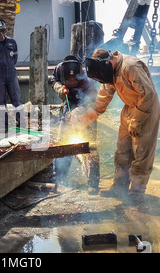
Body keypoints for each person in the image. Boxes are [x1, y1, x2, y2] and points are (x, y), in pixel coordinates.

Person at [76, 49, 160, 203]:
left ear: (107, 63)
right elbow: (102, 99)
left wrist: (137, 120)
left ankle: (136, 192)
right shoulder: (110, 72)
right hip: (129, 109)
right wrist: (84, 120)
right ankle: (119, 187)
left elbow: (148, 94)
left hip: (146, 111)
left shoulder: (130, 67)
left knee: (141, 153)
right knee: (122, 150)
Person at [51, 55, 100, 194]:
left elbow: (93, 102)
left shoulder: (87, 79)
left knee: (89, 146)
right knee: (62, 142)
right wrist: (61, 89)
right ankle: (59, 178)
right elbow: (53, 81)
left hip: (86, 108)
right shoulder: (59, 69)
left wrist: (79, 114)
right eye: (69, 80)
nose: (72, 81)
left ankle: (93, 183)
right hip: (68, 105)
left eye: (74, 79)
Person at [0, 18, 25, 133]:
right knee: (1, 102)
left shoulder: (12, 42)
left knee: (16, 100)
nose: (1, 34)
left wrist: (9, 66)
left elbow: (15, 58)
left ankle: (21, 123)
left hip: (11, 75)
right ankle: (5, 125)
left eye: (3, 31)